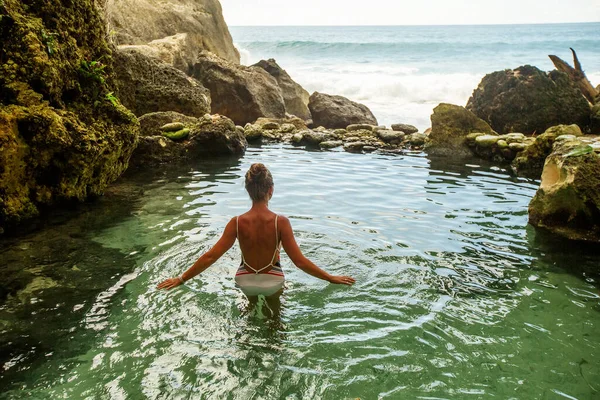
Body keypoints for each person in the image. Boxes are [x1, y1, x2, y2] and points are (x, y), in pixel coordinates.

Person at [157, 163, 356, 295]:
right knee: (275, 326)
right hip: (273, 280)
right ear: (271, 190)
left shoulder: (236, 222)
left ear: (248, 191)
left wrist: (181, 278)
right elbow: (300, 262)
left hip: (244, 280)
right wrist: (330, 277)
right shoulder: (281, 222)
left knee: (247, 322)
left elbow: (210, 257)